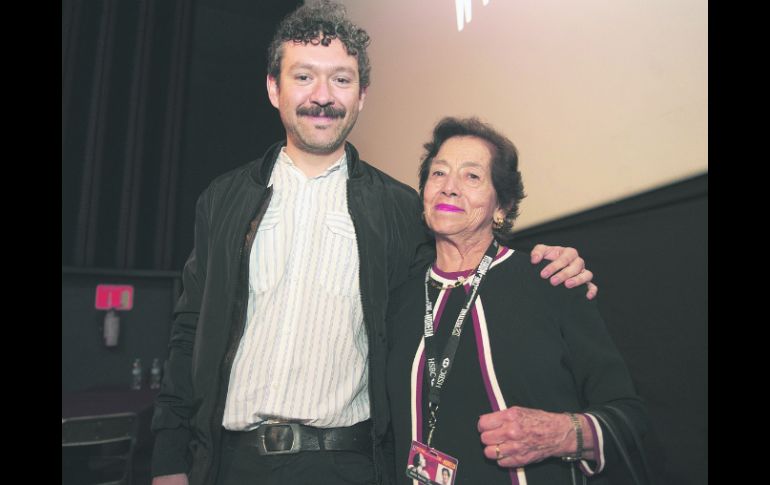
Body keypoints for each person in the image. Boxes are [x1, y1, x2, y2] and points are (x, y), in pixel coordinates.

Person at [150, 2, 597, 485]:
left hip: (348, 466)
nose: (323, 96)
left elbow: (463, 279)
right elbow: (189, 331)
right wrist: (169, 460)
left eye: (341, 80)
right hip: (229, 465)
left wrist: (548, 264)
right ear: (274, 88)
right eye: (304, 77)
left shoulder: (400, 209)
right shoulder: (223, 200)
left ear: (362, 95)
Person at [386, 117, 648, 484]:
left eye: (471, 176)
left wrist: (561, 433)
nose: (449, 188)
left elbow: (630, 417)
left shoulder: (551, 281)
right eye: (438, 173)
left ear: (502, 207)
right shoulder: (398, 300)